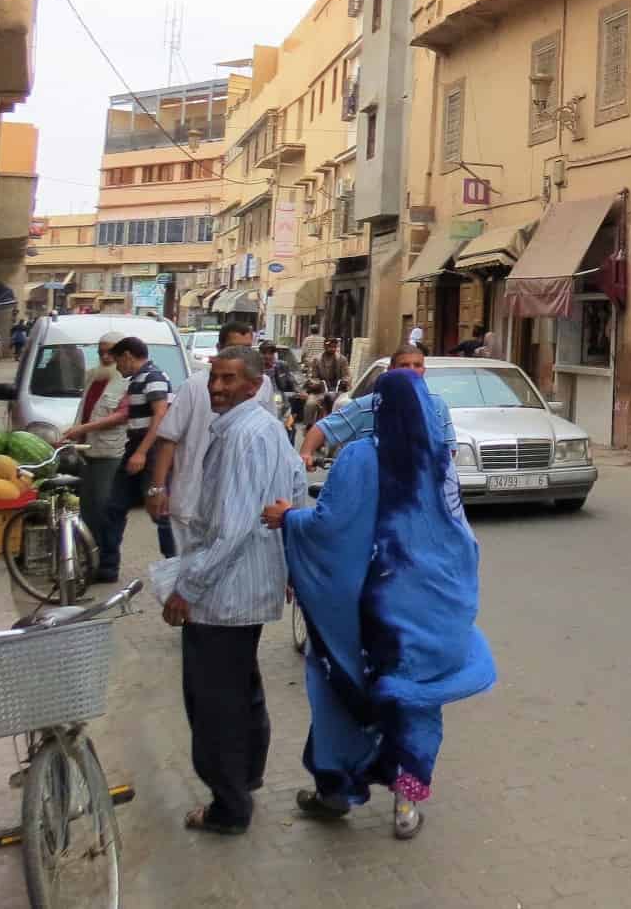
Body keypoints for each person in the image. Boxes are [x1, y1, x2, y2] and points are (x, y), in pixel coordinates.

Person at [272, 368, 497, 840]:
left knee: (339, 694)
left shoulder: (359, 459)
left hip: (371, 615)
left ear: (377, 407)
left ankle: (335, 791)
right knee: (418, 703)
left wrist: (288, 518)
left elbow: (330, 527)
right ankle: (406, 806)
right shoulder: (439, 463)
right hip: (435, 610)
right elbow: (461, 537)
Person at [162, 347, 306, 835]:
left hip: (223, 593)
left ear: (253, 384)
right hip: (247, 586)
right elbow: (297, 486)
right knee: (241, 689)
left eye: (228, 379)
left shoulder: (244, 435)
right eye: (214, 378)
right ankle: (247, 777)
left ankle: (229, 806)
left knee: (213, 702)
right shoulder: (265, 428)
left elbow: (231, 528)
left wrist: (188, 587)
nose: (217, 387)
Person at [149, 322, 276, 559]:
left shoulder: (263, 387)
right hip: (192, 502)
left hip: (241, 505)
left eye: (248, 348)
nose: (241, 355)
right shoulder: (195, 386)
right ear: (219, 348)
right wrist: (157, 488)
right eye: (233, 348)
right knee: (187, 573)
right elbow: (168, 438)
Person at [299, 344, 456, 471]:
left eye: (417, 365)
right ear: (391, 370)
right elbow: (322, 428)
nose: (411, 370)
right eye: (404, 365)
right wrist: (306, 454)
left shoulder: (437, 406)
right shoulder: (366, 406)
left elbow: (449, 450)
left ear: (423, 370)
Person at [103, 337, 176, 574]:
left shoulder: (153, 377)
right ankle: (107, 566)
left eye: (117, 361)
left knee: (159, 510)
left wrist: (142, 452)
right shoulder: (138, 380)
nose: (117, 367)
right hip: (136, 447)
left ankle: (175, 564)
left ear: (127, 356)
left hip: (151, 450)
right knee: (114, 505)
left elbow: (161, 416)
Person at [57, 331, 129, 548]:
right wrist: (71, 434)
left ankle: (105, 559)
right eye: (101, 353)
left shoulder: (127, 382)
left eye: (110, 353)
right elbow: (86, 410)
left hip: (109, 453)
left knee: (103, 507)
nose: (106, 358)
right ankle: (89, 554)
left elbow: (122, 415)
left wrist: (82, 428)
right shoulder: (92, 376)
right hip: (86, 450)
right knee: (87, 507)